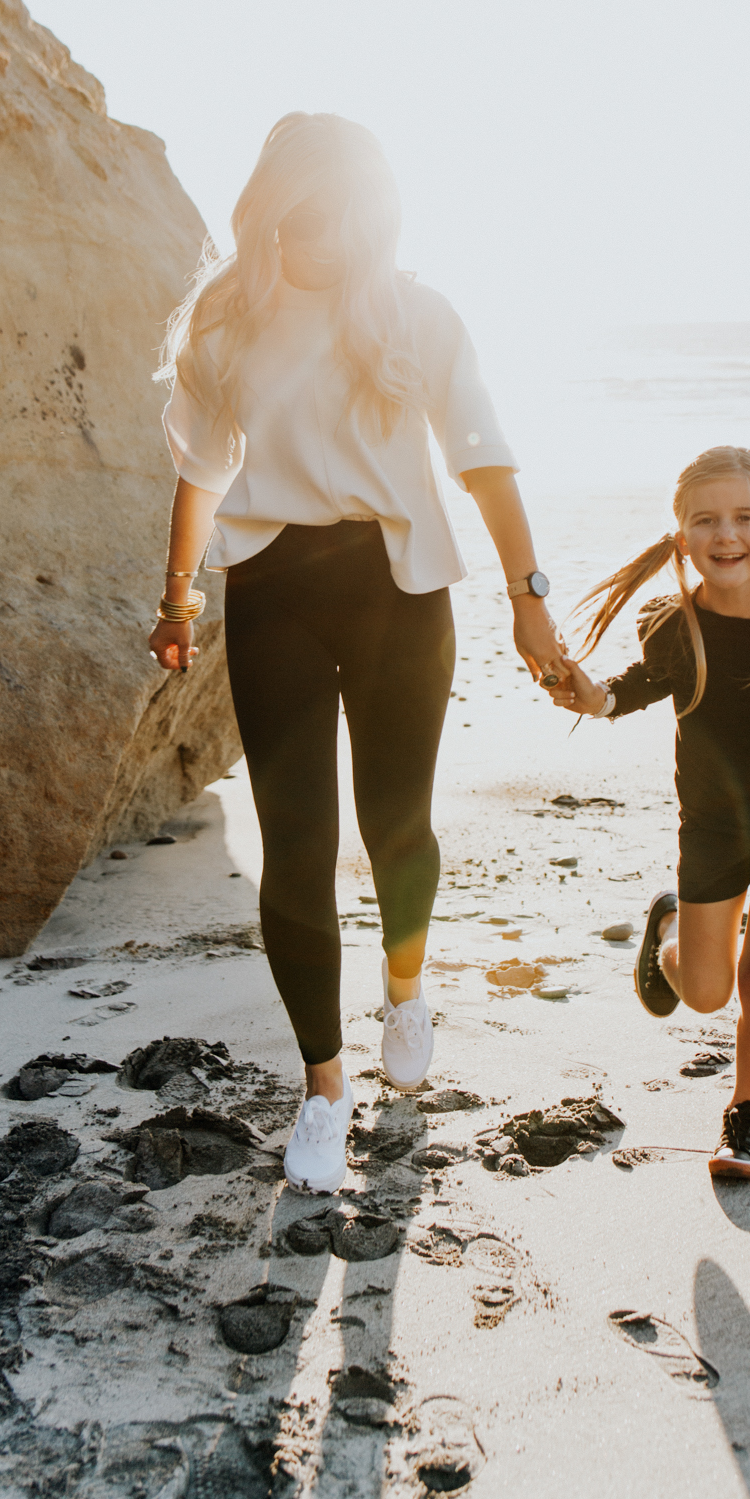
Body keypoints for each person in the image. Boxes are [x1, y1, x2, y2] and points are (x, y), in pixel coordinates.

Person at [147, 112, 563, 1194]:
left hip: (400, 592)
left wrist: (529, 599)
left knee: (396, 824)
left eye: (343, 209)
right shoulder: (223, 329)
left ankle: (409, 985)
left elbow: (485, 461)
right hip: (275, 589)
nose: (321, 229)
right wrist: (178, 598)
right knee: (295, 844)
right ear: (269, 206)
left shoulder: (415, 318)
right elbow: (199, 473)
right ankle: (324, 1088)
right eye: (301, 207)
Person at [549, 446, 750, 1179]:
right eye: (707, 520)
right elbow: (626, 691)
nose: (727, 534)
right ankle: (667, 924)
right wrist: (587, 692)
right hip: (717, 824)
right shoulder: (677, 625)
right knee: (706, 990)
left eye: (744, 518)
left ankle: (746, 1114)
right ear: (682, 534)